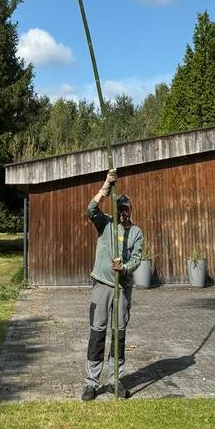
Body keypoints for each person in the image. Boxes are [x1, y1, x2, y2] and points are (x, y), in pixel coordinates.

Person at [81, 168, 144, 401]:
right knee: (97, 334)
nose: (123, 214)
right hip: (102, 286)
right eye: (120, 210)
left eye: (126, 210)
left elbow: (137, 259)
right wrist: (106, 186)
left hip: (122, 290)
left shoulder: (137, 233)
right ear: (115, 211)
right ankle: (91, 383)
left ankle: (114, 382)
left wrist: (124, 267)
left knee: (118, 336)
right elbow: (90, 209)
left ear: (131, 211)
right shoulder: (105, 224)